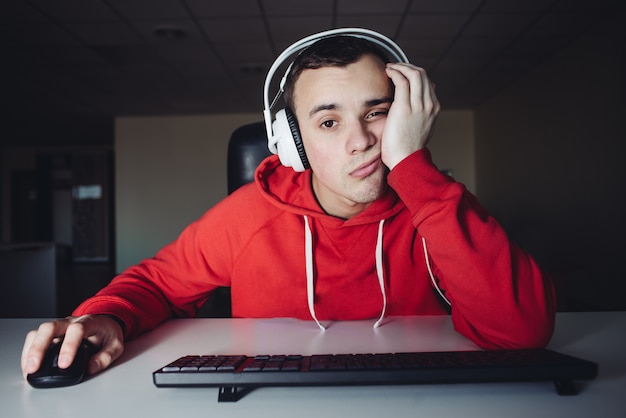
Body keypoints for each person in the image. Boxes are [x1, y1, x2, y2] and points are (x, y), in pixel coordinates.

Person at [21, 29, 555, 380]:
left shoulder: (439, 210)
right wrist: (108, 317)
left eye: (377, 113)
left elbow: (521, 333)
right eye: (329, 122)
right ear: (291, 143)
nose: (361, 140)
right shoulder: (248, 215)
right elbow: (157, 282)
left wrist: (416, 171)